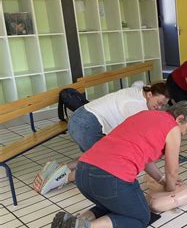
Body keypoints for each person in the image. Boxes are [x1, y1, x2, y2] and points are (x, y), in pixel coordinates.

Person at [42, 101, 187, 228]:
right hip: (109, 178)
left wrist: (160, 179)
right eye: (186, 131)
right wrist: (170, 190)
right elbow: (172, 171)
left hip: (83, 173)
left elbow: (146, 160)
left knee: (117, 204)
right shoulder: (172, 128)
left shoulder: (144, 115)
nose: (183, 135)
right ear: (180, 118)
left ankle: (74, 222)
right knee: (140, 217)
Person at [33, 82, 170, 195]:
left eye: (163, 105)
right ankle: (59, 179)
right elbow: (139, 150)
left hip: (81, 117)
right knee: (103, 162)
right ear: (150, 94)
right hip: (86, 124)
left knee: (99, 154)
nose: (159, 107)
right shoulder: (135, 106)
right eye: (158, 103)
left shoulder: (141, 91)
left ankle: (57, 168)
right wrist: (162, 179)